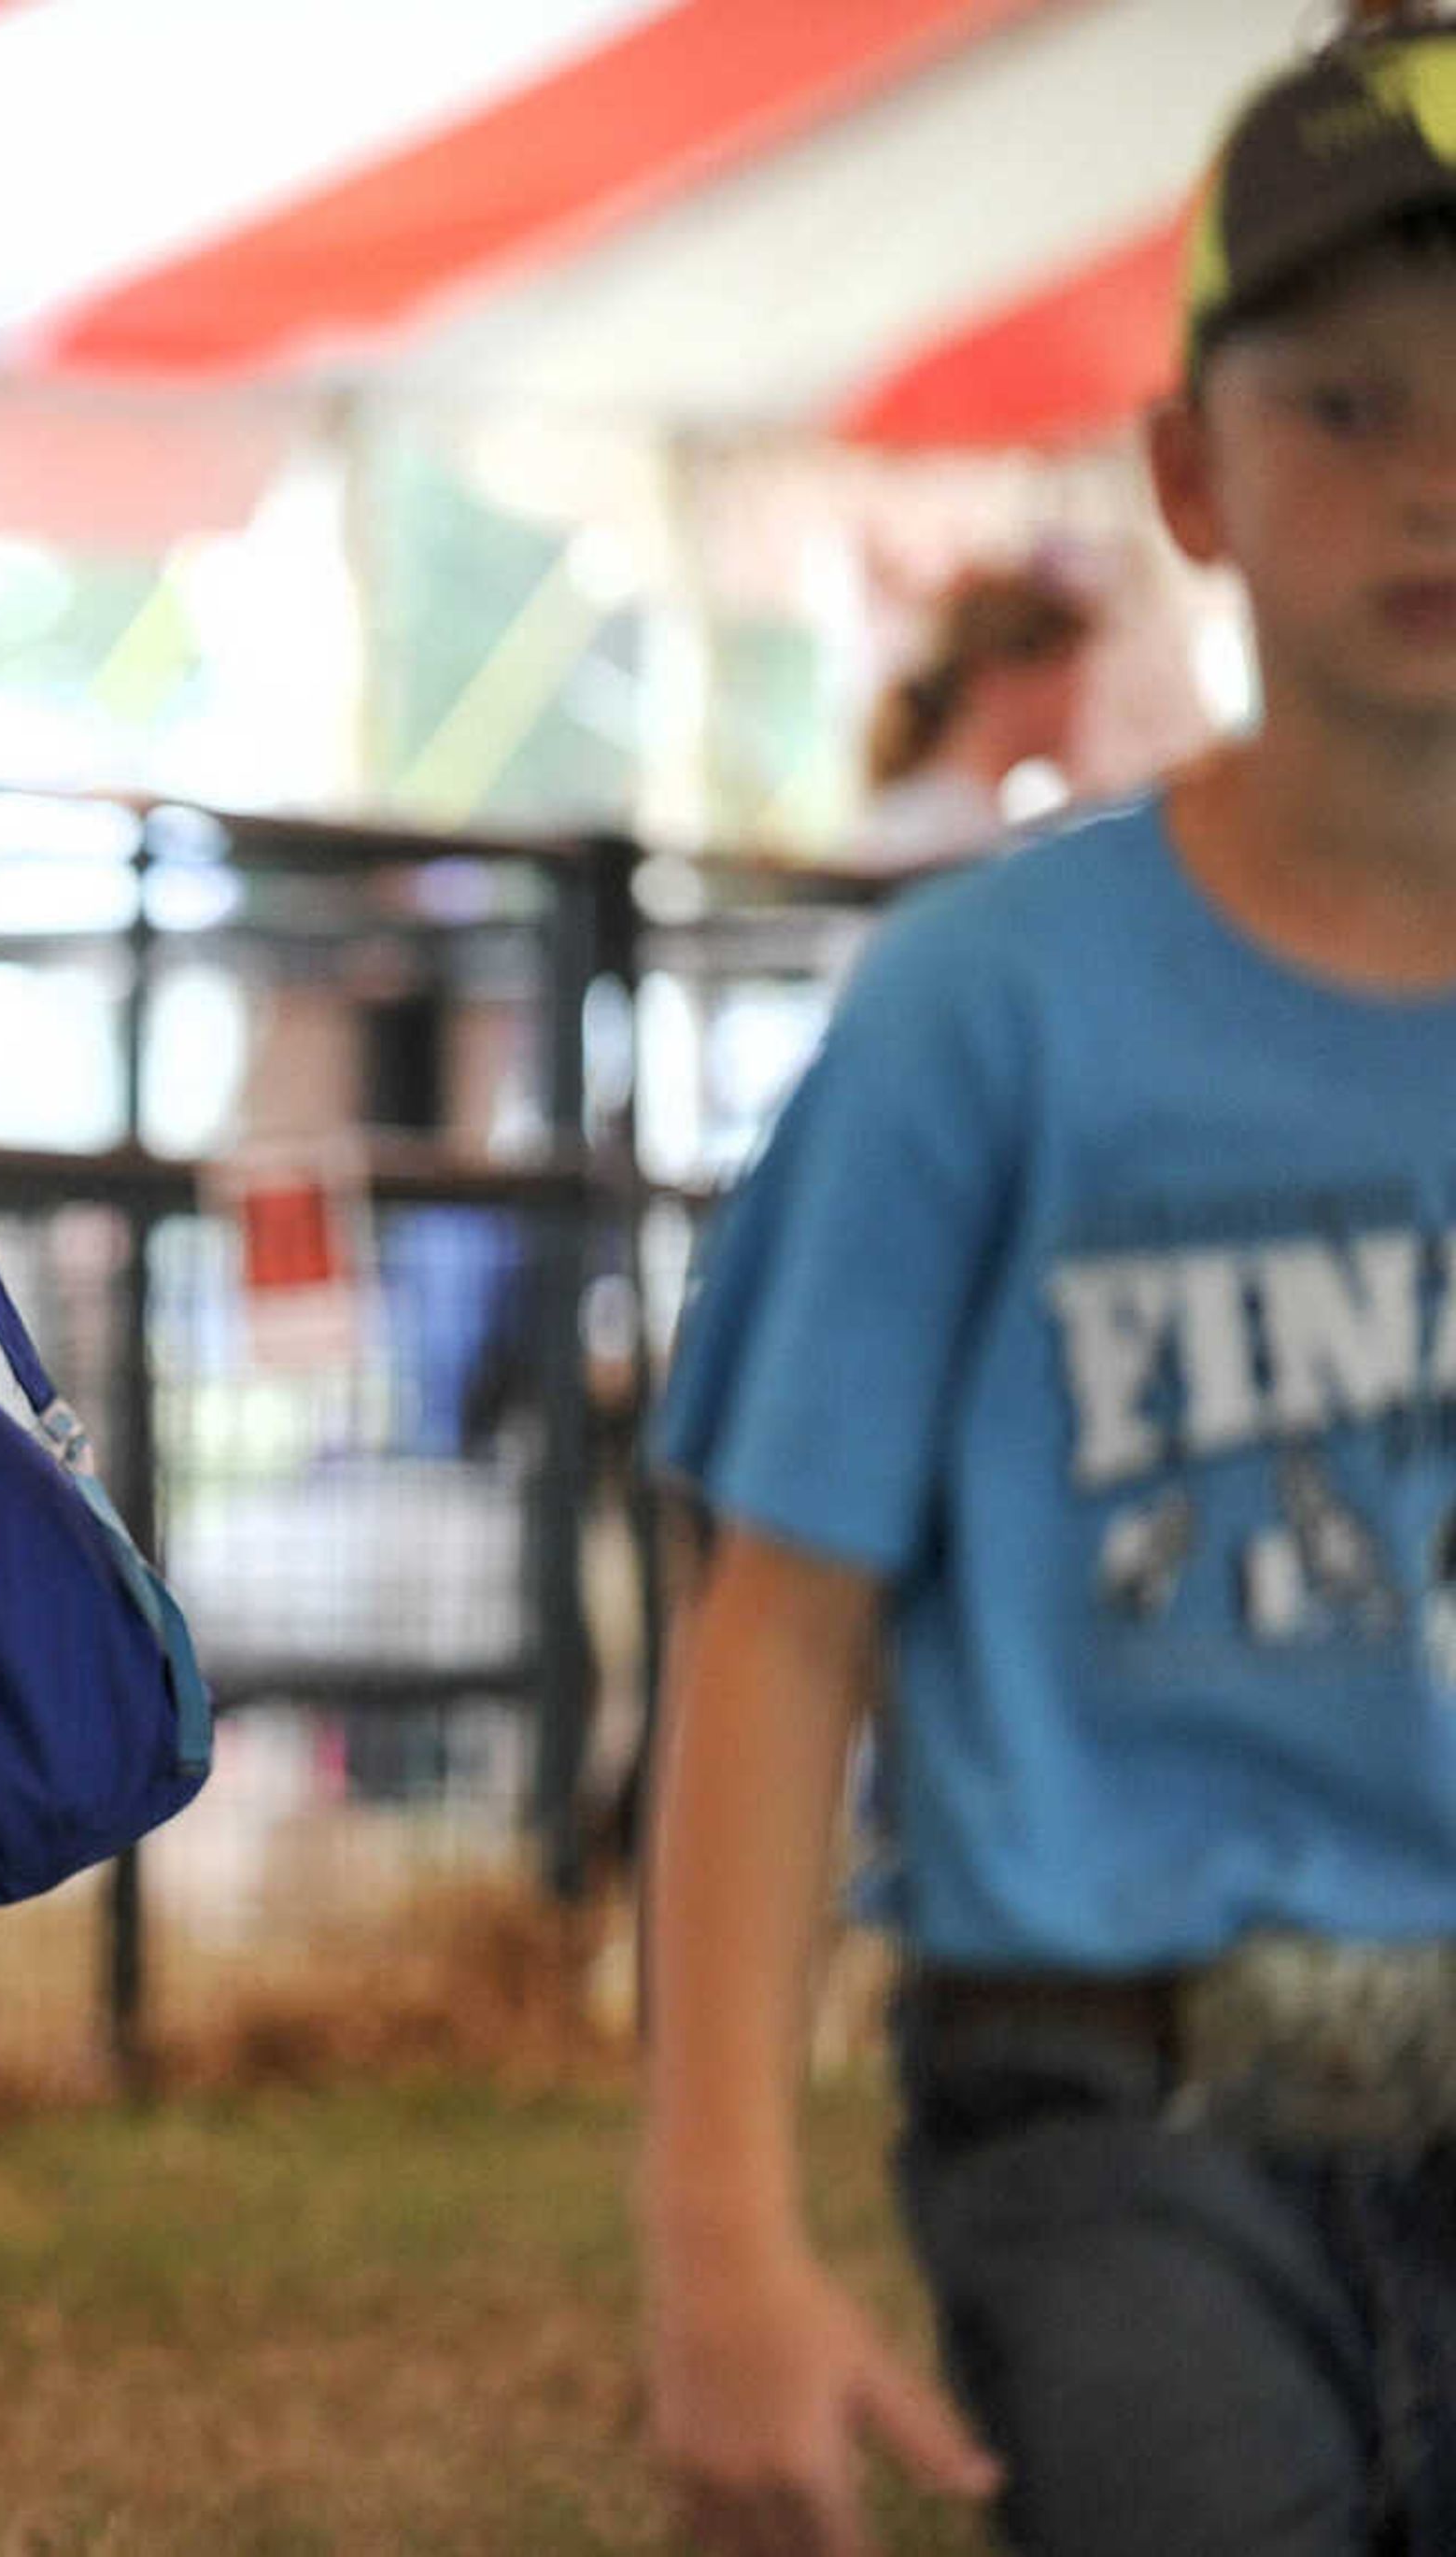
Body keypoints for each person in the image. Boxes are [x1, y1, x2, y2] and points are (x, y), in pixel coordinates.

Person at [642, 14, 1456, 2554]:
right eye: (1347, 405)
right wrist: (720, 2244)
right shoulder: (981, 1012)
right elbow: (777, 1630)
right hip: (1113, 2105)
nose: (1437, 475)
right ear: (1192, 477)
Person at [843, 561, 1096, 872]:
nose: (1078, 708)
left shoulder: (972, 819)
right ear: (995, 682)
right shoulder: (940, 834)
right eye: (1066, 685)